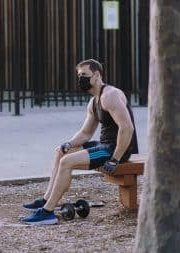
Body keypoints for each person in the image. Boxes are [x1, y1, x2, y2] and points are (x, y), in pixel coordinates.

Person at [21, 59, 138, 225]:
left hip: (115, 150)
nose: (80, 78)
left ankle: (48, 213)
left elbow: (127, 128)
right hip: (104, 146)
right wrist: (69, 144)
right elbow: (85, 133)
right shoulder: (94, 101)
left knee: (67, 162)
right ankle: (46, 199)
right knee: (61, 152)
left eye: (84, 75)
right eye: (79, 75)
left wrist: (115, 158)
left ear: (96, 75)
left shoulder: (110, 95)